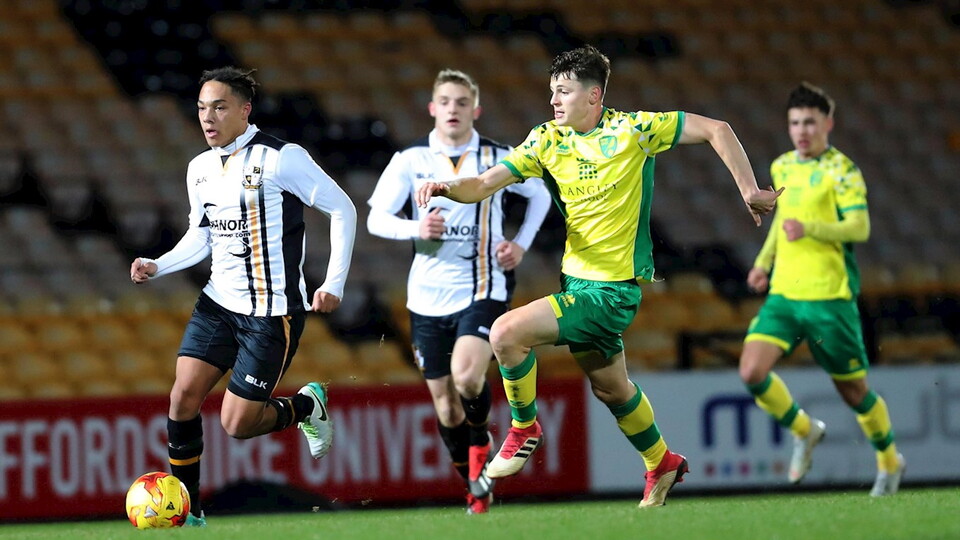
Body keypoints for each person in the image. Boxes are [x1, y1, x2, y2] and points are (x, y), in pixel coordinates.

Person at [415, 45, 781, 508]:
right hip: (576, 283)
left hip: (611, 292)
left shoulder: (634, 130)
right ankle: (662, 461)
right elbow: (485, 183)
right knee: (612, 389)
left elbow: (717, 129)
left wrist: (749, 189)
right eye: (552, 91)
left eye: (564, 91)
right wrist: (447, 187)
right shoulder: (547, 139)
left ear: (594, 96)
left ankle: (524, 428)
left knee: (505, 333)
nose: (554, 100)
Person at [129, 67, 356, 525]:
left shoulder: (282, 158)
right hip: (218, 303)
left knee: (237, 424)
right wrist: (159, 264)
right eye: (201, 108)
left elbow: (343, 208)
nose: (207, 117)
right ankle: (190, 514)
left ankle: (306, 406)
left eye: (219, 107)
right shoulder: (199, 169)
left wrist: (333, 282)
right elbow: (202, 234)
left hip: (271, 314)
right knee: (182, 398)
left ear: (244, 110)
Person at [367, 69, 551, 514]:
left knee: (467, 376)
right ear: (433, 108)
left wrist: (520, 244)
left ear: (476, 110)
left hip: (483, 286)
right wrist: (415, 228)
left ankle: (482, 440)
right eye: (446, 102)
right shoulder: (411, 160)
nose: (454, 109)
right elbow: (376, 218)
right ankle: (473, 483)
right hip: (426, 296)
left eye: (462, 102)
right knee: (448, 409)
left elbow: (541, 194)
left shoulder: (497, 156)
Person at [739, 82, 904, 496]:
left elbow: (859, 227)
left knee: (853, 391)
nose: (802, 131)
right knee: (751, 371)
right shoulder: (782, 166)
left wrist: (811, 228)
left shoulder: (843, 171)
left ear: (828, 124)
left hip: (830, 297)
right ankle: (804, 429)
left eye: (810, 122)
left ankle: (889, 459)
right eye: (795, 123)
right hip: (785, 294)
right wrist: (763, 263)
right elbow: (783, 221)